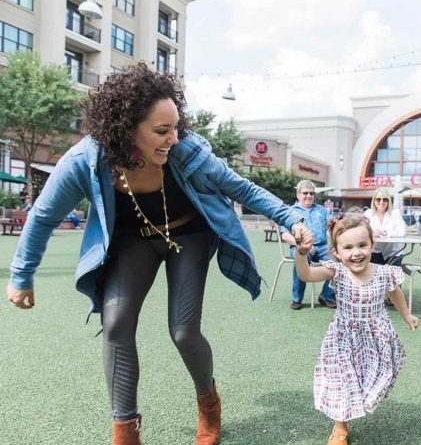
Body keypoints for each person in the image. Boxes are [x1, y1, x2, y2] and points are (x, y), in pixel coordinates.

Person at [6, 62, 311, 445]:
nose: (173, 138)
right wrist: (21, 275)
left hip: (190, 235)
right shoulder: (85, 161)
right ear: (125, 128)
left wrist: (291, 219)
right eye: (162, 131)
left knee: (183, 331)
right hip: (134, 241)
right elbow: (43, 217)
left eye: (176, 127)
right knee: (116, 325)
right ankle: (125, 431)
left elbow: (242, 188)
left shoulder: (188, 151)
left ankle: (208, 402)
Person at [294, 216, 419, 445]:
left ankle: (358, 404)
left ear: (372, 245)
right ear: (337, 252)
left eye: (362, 245)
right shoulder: (337, 271)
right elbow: (306, 275)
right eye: (348, 247)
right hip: (342, 337)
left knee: (368, 380)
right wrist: (301, 254)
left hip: (376, 336)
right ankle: (340, 427)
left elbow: (395, 293)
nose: (356, 253)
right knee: (340, 379)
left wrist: (407, 315)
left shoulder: (384, 272)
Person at [280, 180, 336, 310]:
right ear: (298, 194)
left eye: (311, 193)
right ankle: (297, 298)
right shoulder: (289, 211)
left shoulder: (322, 210)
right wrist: (303, 245)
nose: (309, 196)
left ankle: (327, 296)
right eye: (305, 193)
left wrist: (333, 226)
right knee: (301, 260)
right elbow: (284, 235)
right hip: (299, 246)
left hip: (322, 247)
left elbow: (332, 228)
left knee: (339, 263)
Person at [363, 188, 406, 265]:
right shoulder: (368, 214)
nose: (381, 202)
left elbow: (402, 231)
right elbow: (362, 231)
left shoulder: (395, 213)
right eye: (378, 199)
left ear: (388, 201)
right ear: (374, 201)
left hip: (393, 253)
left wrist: (385, 233)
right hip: (374, 252)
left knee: (393, 276)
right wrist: (372, 234)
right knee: (373, 276)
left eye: (385, 200)